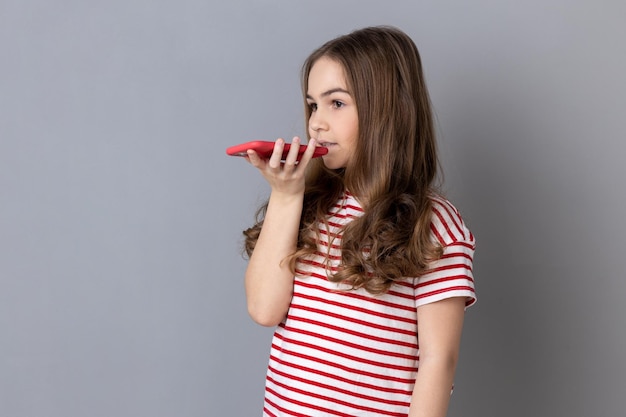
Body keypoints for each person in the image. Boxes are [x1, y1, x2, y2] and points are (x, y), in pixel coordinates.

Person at [240, 26, 476, 417]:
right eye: (313, 105)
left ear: (387, 109)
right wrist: (285, 197)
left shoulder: (433, 225)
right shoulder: (310, 205)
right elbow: (265, 309)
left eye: (336, 103)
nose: (316, 123)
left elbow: (439, 361)